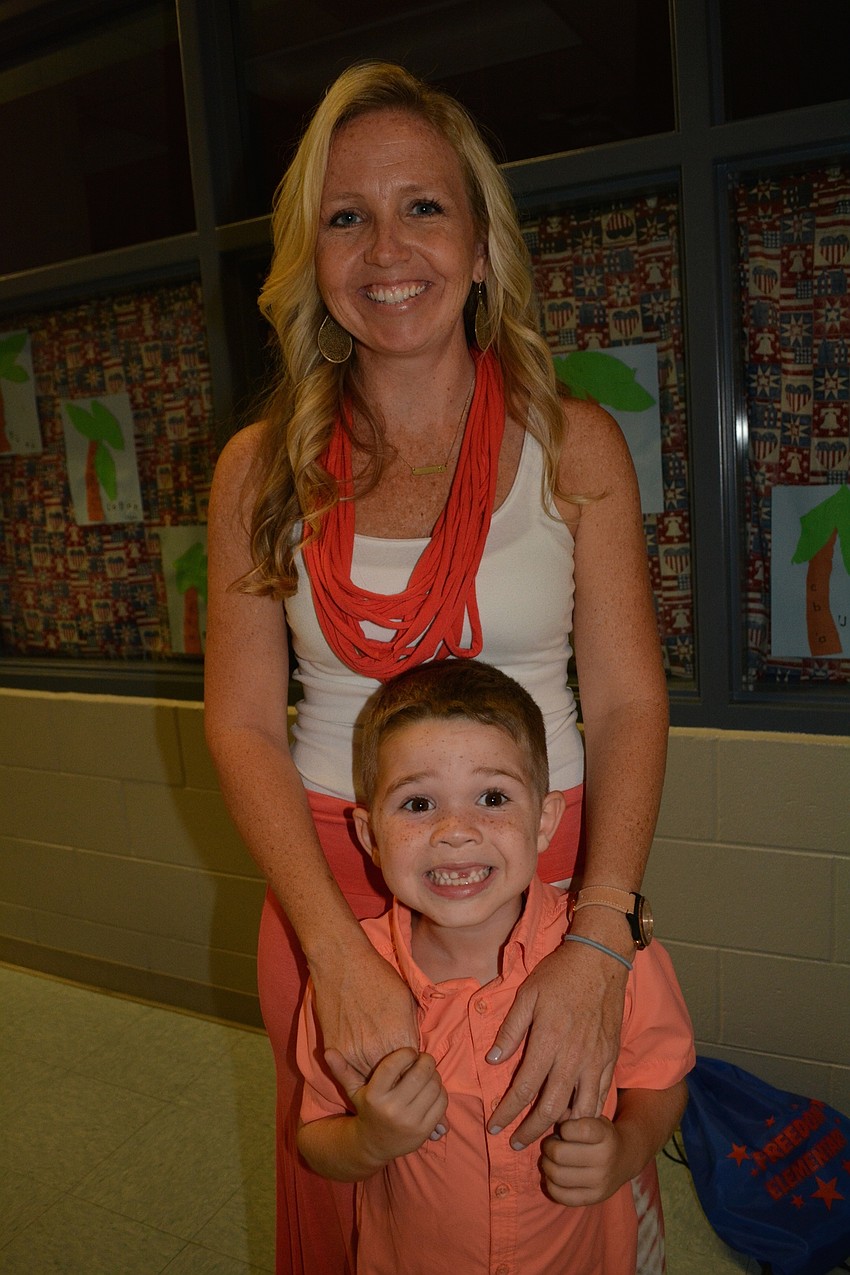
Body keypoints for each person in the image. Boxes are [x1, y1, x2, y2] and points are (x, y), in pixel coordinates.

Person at [204, 60, 669, 1275]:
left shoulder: (570, 444)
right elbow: (244, 722)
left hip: (544, 874)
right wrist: (337, 954)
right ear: (310, 253)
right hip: (332, 877)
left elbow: (625, 699)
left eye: (422, 206)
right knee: (356, 1185)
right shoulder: (258, 469)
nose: (384, 247)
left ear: (477, 241)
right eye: (344, 216)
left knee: (553, 1175)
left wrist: (600, 940)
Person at [296, 661, 694, 1275]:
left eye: (492, 797)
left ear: (544, 822)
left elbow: (662, 1078)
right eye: (418, 803)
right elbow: (316, 1138)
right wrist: (368, 1140)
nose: (455, 832)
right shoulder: (352, 986)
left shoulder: (610, 961)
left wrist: (628, 1148)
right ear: (369, 837)